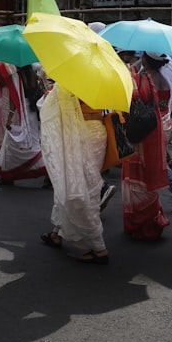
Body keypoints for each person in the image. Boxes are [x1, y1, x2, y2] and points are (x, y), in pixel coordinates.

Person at [38, 83, 110, 264]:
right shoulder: (101, 75)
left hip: (80, 133)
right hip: (98, 130)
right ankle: (57, 234)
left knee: (77, 191)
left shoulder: (70, 79)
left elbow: (48, 108)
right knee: (78, 186)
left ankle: (99, 247)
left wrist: (49, 94)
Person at [122, 53, 172, 240]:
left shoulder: (140, 79)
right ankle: (153, 217)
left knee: (137, 177)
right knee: (150, 175)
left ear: (144, 60)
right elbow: (163, 107)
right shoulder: (164, 80)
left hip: (141, 135)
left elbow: (132, 100)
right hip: (158, 129)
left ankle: (140, 222)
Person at [0, 61, 47, 184]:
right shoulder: (32, 74)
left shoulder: (17, 76)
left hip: (20, 112)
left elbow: (14, 98)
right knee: (33, 142)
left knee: (11, 144)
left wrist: (10, 116)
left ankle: (9, 174)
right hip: (32, 112)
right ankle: (8, 175)